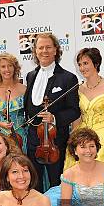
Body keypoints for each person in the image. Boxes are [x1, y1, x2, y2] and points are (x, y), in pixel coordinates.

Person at [24, 33, 80, 191]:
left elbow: (74, 111)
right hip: (34, 139)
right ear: (35, 51)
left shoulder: (68, 78)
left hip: (55, 140)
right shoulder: (30, 76)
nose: (44, 51)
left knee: (57, 183)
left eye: (48, 47)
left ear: (56, 50)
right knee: (33, 183)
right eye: (40, 48)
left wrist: (54, 117)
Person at [64, 47, 104, 169]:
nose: (82, 68)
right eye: (80, 64)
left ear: (96, 63)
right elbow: (78, 118)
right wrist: (72, 140)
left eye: (86, 63)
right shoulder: (79, 89)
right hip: (82, 138)